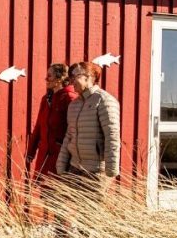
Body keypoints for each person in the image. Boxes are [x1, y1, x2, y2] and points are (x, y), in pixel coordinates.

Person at [57, 62, 121, 197]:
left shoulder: (104, 101)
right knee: (70, 211)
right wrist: (61, 164)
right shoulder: (74, 105)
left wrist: (111, 170)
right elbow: (69, 135)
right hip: (75, 168)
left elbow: (112, 136)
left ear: (89, 77)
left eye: (75, 77)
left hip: (96, 171)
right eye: (70, 78)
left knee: (92, 213)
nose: (71, 81)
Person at [26, 63, 79, 179]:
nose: (46, 79)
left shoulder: (69, 98)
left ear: (60, 78)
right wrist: (31, 151)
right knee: (44, 192)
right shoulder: (46, 99)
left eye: (49, 76)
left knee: (56, 192)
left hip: (61, 156)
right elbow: (39, 127)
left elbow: (75, 129)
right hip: (44, 154)